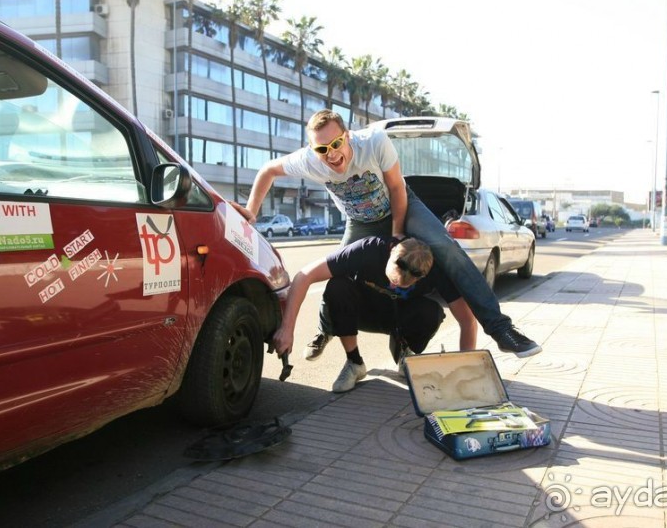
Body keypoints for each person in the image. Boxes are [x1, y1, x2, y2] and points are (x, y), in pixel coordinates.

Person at [232, 109, 542, 359]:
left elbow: (396, 188)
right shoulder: (309, 161)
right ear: (314, 150)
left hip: (402, 205)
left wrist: (397, 233)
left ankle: (501, 329)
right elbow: (268, 171)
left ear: (347, 136)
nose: (332, 154)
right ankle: (326, 330)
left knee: (444, 247)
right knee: (336, 275)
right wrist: (252, 210)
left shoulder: (374, 142)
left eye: (337, 144)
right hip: (359, 221)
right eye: (323, 149)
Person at [272, 236, 474, 392]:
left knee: (432, 312)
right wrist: (287, 328)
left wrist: (466, 372)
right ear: (392, 251)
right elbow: (304, 276)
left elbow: (467, 321)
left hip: (395, 315)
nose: (394, 285)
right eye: (392, 279)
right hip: (362, 310)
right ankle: (354, 363)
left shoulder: (436, 271)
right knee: (337, 286)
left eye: (404, 284)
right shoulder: (367, 249)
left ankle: (405, 350)